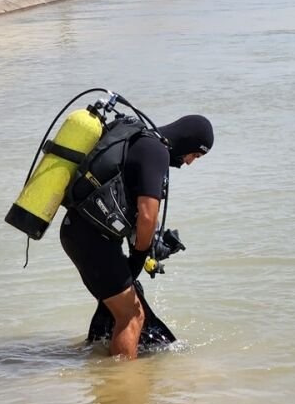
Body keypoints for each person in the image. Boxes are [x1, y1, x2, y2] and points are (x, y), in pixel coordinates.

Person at [59, 114, 213, 359]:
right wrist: (140, 253)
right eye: (195, 155)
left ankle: (104, 373)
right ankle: (122, 387)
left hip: (81, 233)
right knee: (131, 315)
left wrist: (145, 246)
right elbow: (148, 215)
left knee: (123, 310)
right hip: (92, 241)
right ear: (187, 142)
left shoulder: (140, 140)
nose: (190, 162)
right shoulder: (157, 152)